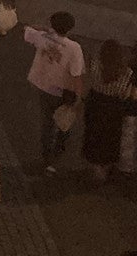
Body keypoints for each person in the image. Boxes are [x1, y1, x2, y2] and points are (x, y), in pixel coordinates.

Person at [24, 11, 85, 173]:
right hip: (63, 90)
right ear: (70, 28)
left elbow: (28, 29)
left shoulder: (42, 37)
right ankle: (57, 152)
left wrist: (45, 29)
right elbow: (76, 74)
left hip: (43, 86)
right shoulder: (74, 48)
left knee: (47, 121)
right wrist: (78, 95)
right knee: (64, 121)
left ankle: (46, 155)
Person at [82, 39, 134, 180]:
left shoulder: (96, 65)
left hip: (95, 102)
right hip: (114, 107)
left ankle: (96, 167)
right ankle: (105, 167)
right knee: (110, 136)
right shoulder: (126, 72)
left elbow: (90, 81)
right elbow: (125, 94)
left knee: (94, 133)